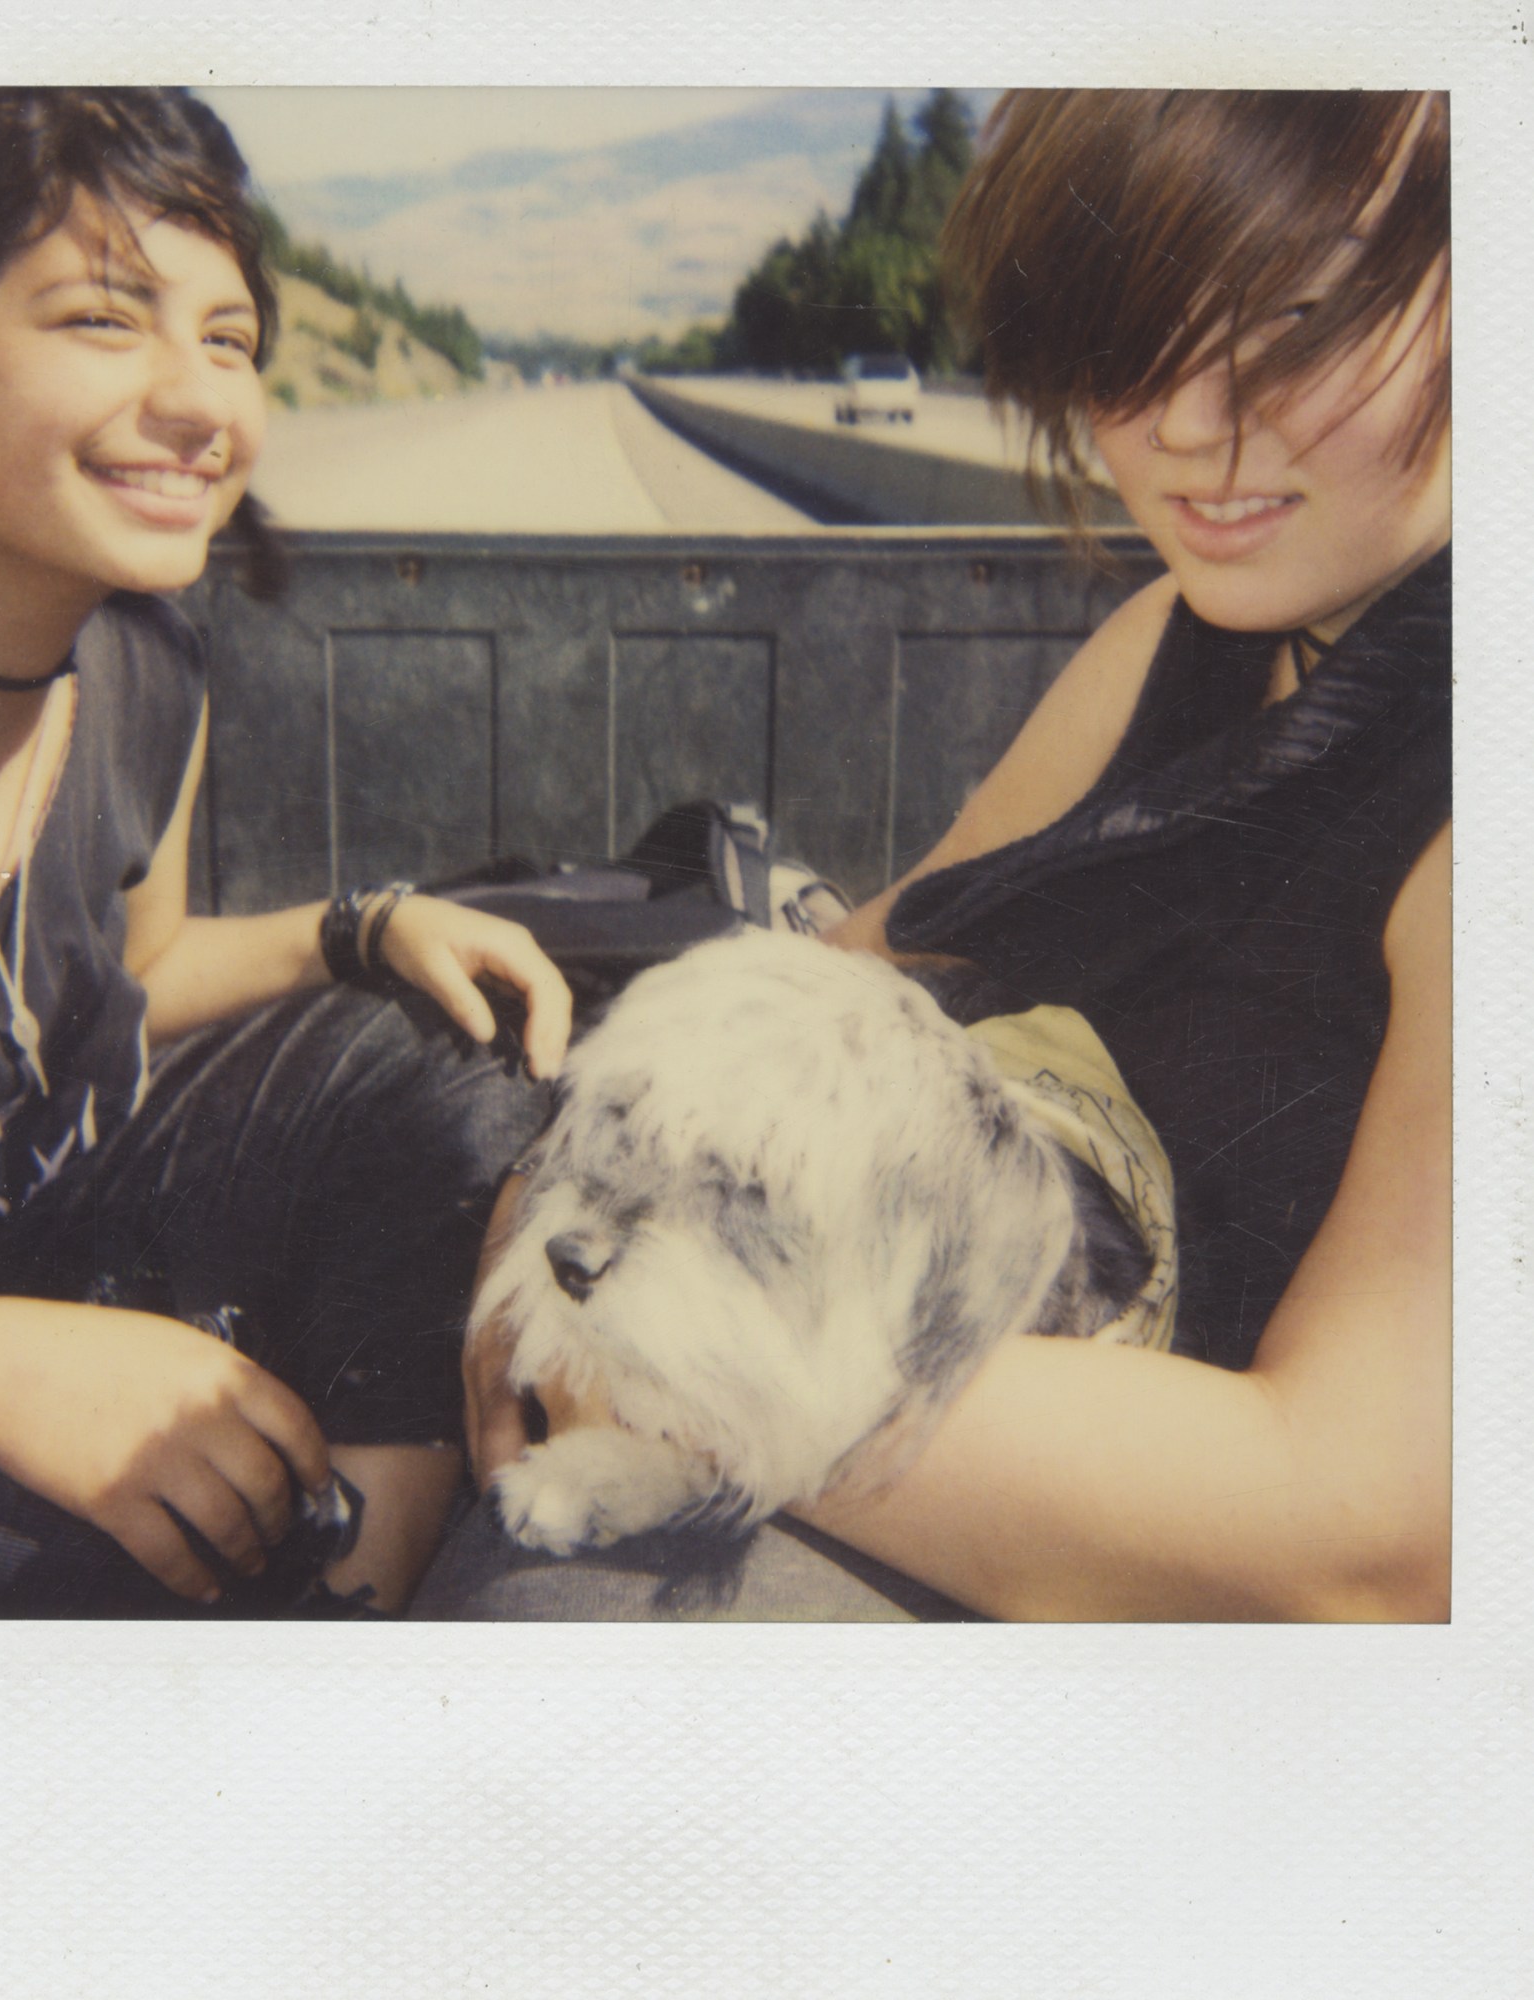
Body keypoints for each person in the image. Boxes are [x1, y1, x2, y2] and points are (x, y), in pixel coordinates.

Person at [445, 88, 1451, 1622]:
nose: (1183, 423)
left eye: (1296, 316)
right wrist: (563, 1187)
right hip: (936, 1386)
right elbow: (866, 961)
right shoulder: (1174, 645)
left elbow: (1361, 1537)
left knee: (575, 1634)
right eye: (1128, 336)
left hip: (1204, 1630)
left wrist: (663, 1365)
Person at [0, 87, 572, 1617]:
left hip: (39, 1221)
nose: (198, 401)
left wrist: (364, 929)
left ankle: (345, 1628)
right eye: (104, 318)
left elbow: (136, 975)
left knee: (461, 1056)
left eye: (228, 340)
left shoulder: (142, 662)